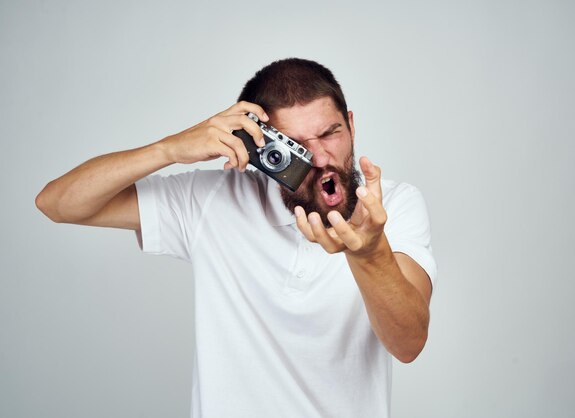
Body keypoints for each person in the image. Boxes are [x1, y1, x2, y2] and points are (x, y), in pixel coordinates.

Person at [36, 58, 437, 418]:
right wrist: (169, 149)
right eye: (294, 146)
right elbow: (59, 203)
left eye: (330, 133)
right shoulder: (212, 198)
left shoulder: (393, 206)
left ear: (351, 124)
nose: (319, 158)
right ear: (259, 146)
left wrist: (369, 253)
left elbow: (408, 343)